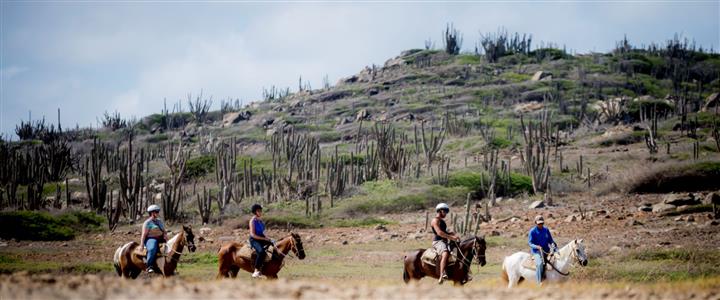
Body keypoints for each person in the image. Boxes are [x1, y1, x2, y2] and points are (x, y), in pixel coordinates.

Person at [430, 203, 460, 284]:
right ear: (439, 211)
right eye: (445, 211)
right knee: (445, 253)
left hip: (445, 241)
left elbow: (444, 232)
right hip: (438, 242)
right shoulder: (435, 220)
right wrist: (451, 237)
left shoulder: (442, 221)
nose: (446, 213)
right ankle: (442, 274)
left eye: (447, 211)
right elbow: (439, 233)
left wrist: (451, 234)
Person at [528, 215, 557, 285]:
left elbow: (550, 240)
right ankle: (539, 282)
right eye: (539, 223)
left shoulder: (546, 230)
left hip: (547, 250)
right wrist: (536, 246)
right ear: (535, 223)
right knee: (540, 264)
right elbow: (530, 243)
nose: (540, 225)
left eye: (542, 223)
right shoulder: (532, 231)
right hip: (537, 251)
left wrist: (553, 244)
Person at [249, 203, 275, 278]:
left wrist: (270, 239)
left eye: (261, 211)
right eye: (258, 211)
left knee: (274, 245)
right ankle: (256, 271)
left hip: (261, 238)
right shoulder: (252, 221)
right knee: (261, 252)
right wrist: (264, 239)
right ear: (255, 212)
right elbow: (253, 234)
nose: (260, 212)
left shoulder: (261, 221)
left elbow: (264, 233)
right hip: (254, 239)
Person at [140, 204, 168, 274]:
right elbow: (144, 235)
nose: (158, 213)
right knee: (152, 248)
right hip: (151, 239)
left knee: (171, 246)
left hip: (161, 238)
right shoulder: (147, 223)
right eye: (157, 212)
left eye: (158, 211)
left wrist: (165, 235)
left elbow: (164, 230)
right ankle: (149, 266)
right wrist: (141, 245)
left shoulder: (159, 221)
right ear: (152, 213)